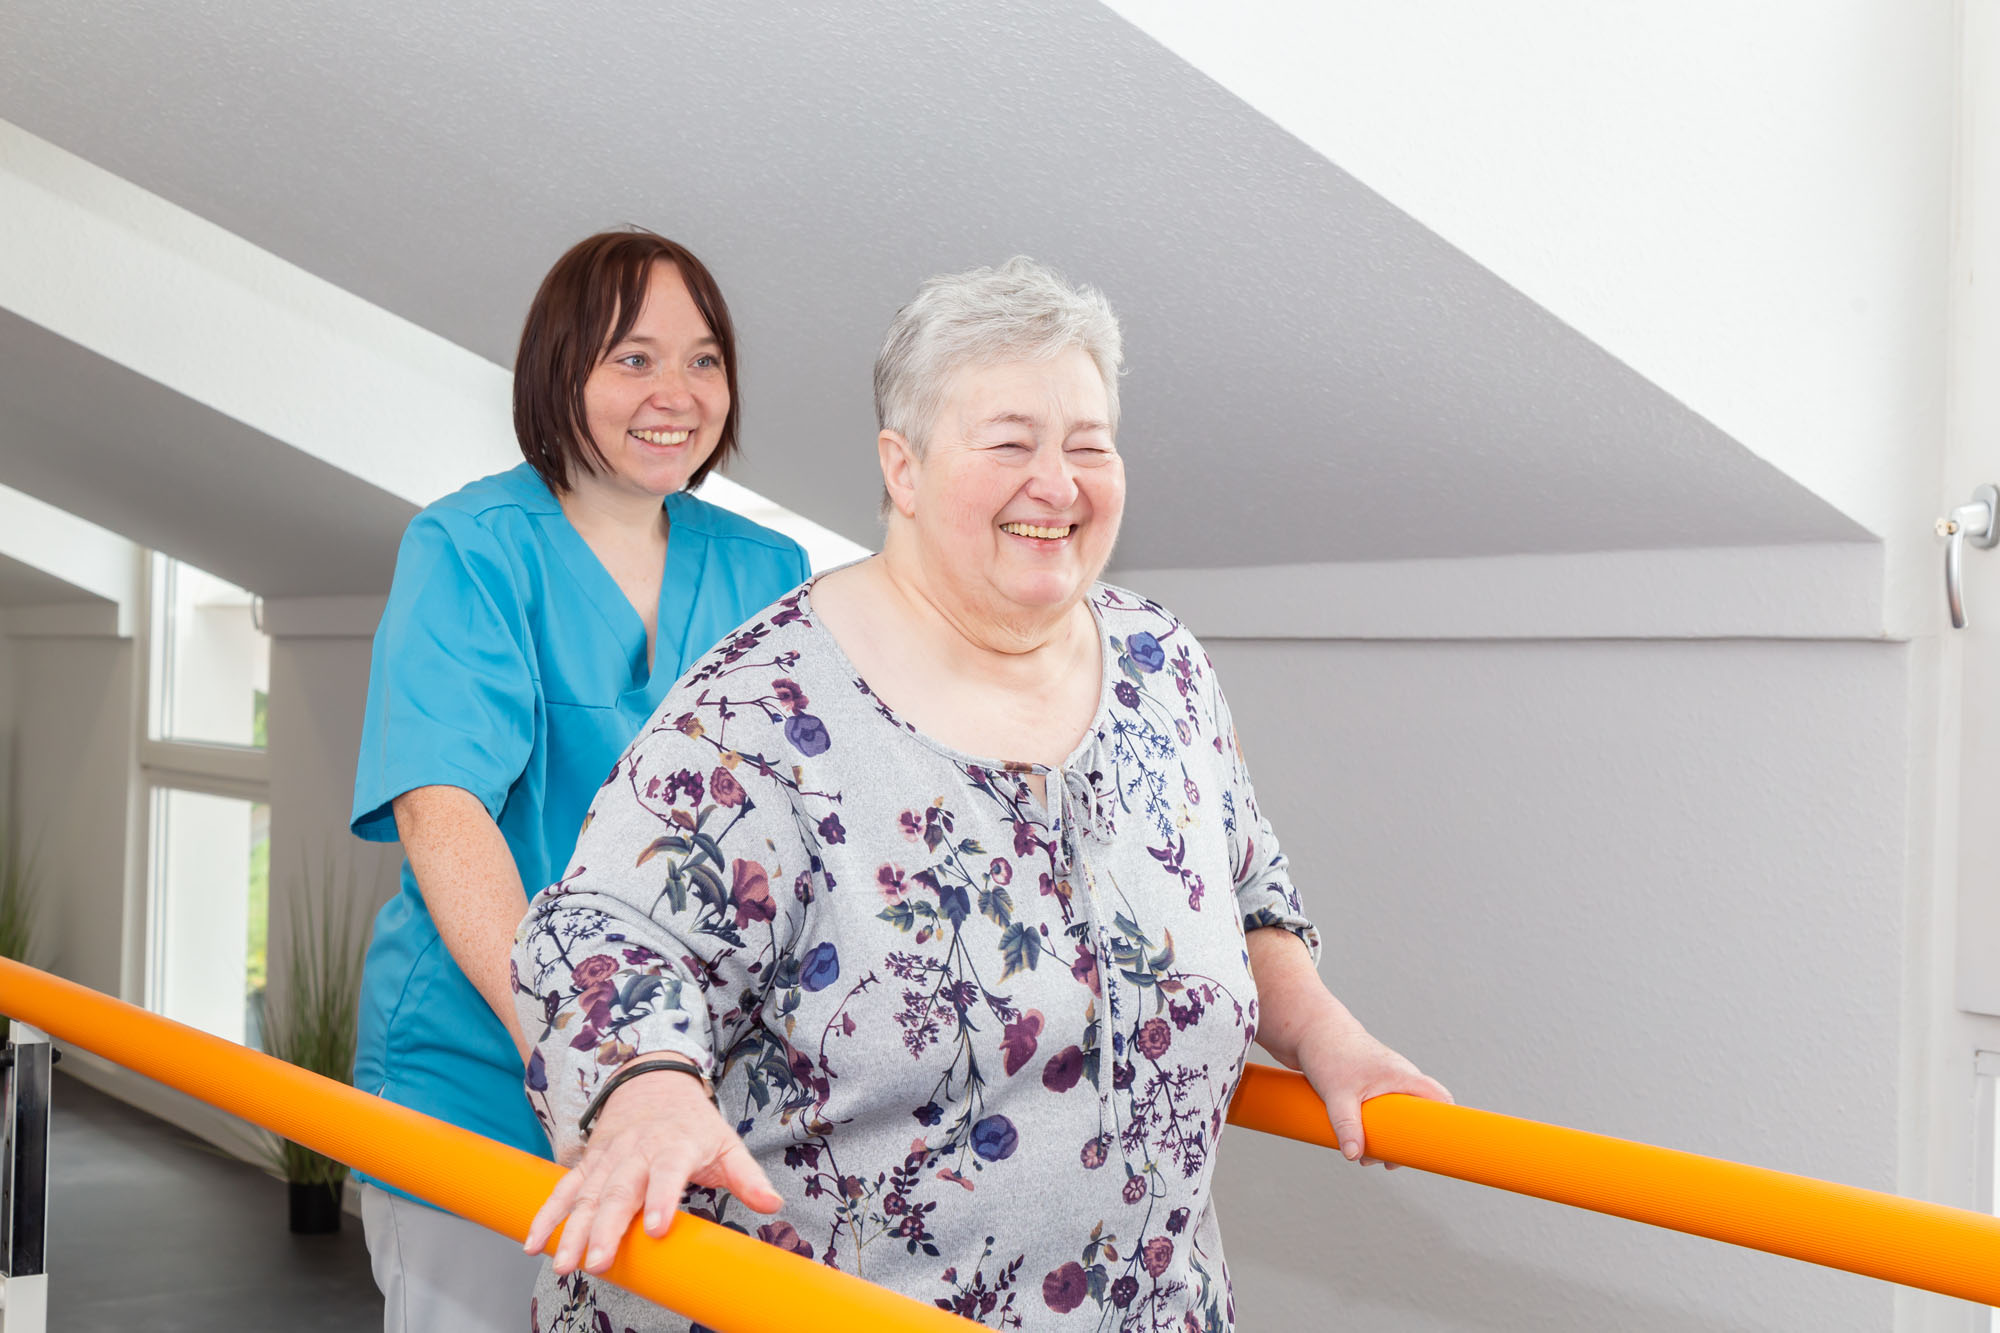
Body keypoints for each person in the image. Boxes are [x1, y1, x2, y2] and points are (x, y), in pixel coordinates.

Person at [512, 257, 1448, 1331]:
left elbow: (1246, 895)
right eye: (1009, 442)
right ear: (900, 469)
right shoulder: (762, 712)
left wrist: (1327, 1039)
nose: (1056, 483)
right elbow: (604, 933)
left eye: (1087, 445)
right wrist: (647, 1092)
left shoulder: (1161, 666)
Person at [348, 229, 811, 1332]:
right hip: (479, 1077)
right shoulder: (469, 547)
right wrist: (586, 1053)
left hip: (683, 1093)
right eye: (632, 358)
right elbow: (441, 808)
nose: (677, 394)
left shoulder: (771, 574)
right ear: (560, 370)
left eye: (704, 360)